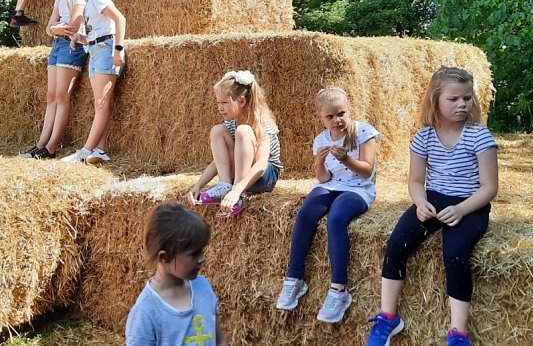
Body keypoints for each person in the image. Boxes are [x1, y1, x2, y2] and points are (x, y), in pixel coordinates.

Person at [365, 67, 499, 346]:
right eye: (454, 99)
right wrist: (420, 202)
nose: (462, 104)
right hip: (433, 199)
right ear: (435, 100)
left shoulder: (479, 136)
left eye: (467, 98)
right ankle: (388, 317)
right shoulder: (424, 136)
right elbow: (415, 181)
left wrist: (462, 209)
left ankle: (458, 334)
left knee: (455, 253)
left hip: (470, 205)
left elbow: (489, 187)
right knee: (396, 244)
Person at [275, 87, 380, 323]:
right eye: (330, 117)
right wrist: (319, 162)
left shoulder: (364, 132)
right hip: (332, 185)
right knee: (305, 213)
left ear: (349, 109)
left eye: (341, 113)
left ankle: (339, 289)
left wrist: (347, 159)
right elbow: (323, 179)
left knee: (336, 218)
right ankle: (294, 279)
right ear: (321, 117)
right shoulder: (321, 139)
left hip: (358, 189)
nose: (337, 120)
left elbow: (367, 172)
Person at [125, 202, 226, 346]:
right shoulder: (146, 311)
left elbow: (219, 340)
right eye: (194, 254)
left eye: (202, 251)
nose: (203, 259)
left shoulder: (203, 287)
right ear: (164, 257)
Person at [187, 70, 282, 218]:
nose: (220, 107)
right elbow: (218, 162)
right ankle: (225, 185)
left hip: (264, 177)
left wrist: (236, 190)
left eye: (224, 102)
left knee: (243, 131)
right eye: (218, 103)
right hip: (239, 175)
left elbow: (261, 165)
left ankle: (238, 195)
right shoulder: (230, 123)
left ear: (242, 101)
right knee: (217, 130)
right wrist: (198, 185)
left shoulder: (262, 123)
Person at [17, 0, 86, 159]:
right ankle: (40, 144)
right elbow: (49, 28)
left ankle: (51, 147)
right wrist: (56, 29)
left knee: (62, 96)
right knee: (51, 97)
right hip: (57, 45)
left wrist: (55, 29)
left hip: (72, 46)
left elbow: (72, 27)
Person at [60, 0, 126, 165]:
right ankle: (101, 149)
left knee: (101, 102)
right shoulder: (89, 2)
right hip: (96, 50)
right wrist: (78, 38)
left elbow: (119, 19)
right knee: (100, 103)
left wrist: (118, 49)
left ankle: (86, 150)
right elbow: (95, 33)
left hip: (106, 49)